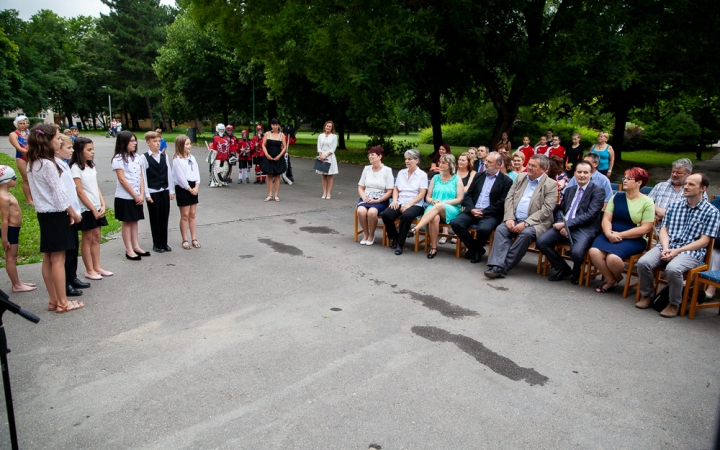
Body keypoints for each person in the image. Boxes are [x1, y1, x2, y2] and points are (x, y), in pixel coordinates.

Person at [636, 173, 720, 318]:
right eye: (686, 183)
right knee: (643, 262)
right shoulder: (674, 206)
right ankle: (647, 295)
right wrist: (666, 247)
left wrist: (677, 251)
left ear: (703, 189)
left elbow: (704, 241)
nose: (686, 187)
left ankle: (674, 303)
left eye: (691, 184)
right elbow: (664, 229)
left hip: (690, 251)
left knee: (673, 269)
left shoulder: (711, 212)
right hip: (667, 245)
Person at [26, 124, 83, 313]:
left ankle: (54, 300)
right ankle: (63, 302)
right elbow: (59, 194)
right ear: (47, 140)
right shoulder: (48, 164)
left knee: (48, 258)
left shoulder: (33, 162)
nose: (60, 141)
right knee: (58, 259)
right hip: (56, 213)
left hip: (44, 214)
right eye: (58, 138)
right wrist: (73, 213)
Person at [484, 154, 558, 278]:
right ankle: (497, 265)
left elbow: (546, 210)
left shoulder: (551, 184)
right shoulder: (521, 177)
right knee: (501, 229)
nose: (528, 167)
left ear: (543, 169)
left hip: (536, 222)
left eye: (533, 166)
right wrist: (509, 218)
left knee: (526, 234)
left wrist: (526, 223)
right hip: (514, 218)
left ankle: (502, 266)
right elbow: (509, 198)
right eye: (529, 164)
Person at [536, 161, 605, 283]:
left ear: (591, 174)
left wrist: (566, 225)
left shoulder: (598, 191)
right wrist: (559, 224)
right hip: (564, 225)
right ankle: (563, 268)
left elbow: (590, 215)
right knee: (541, 241)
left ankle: (577, 270)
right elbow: (560, 210)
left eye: (585, 172)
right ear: (574, 173)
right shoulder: (569, 190)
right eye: (579, 172)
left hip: (584, 228)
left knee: (577, 253)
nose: (582, 175)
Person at [588, 167, 654, 293]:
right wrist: (608, 233)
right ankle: (611, 280)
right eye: (624, 177)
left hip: (634, 237)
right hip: (611, 232)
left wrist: (621, 235)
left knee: (613, 258)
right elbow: (606, 219)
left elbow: (645, 228)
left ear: (639, 182)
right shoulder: (616, 197)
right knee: (594, 252)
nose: (625, 180)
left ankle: (617, 278)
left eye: (629, 178)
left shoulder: (647, 202)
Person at [451, 152, 512, 264]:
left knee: (484, 229)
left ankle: (474, 249)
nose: (485, 163)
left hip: (490, 213)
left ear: (498, 165)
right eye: (486, 161)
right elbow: (468, 195)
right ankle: (477, 249)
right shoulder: (479, 176)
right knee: (456, 223)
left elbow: (502, 202)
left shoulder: (506, 181)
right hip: (473, 210)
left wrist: (484, 212)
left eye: (489, 162)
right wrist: (472, 209)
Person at [70, 137, 112, 281]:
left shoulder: (91, 166)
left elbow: (96, 186)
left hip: (96, 206)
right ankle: (89, 269)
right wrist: (92, 209)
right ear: (79, 151)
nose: (92, 152)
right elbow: (80, 191)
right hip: (86, 208)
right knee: (87, 238)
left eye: (93, 149)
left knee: (97, 237)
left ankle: (97, 266)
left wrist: (102, 204)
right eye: (89, 150)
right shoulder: (75, 168)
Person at [407, 154, 464, 259]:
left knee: (439, 206)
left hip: (451, 208)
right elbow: (427, 197)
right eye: (440, 162)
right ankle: (433, 248)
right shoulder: (435, 178)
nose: (440, 165)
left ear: (450, 165)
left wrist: (444, 203)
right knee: (434, 217)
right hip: (433, 207)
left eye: (443, 163)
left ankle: (416, 229)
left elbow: (459, 199)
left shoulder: (457, 179)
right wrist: (433, 201)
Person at [57, 135, 90, 297]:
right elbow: (61, 193)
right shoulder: (55, 166)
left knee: (73, 248)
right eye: (68, 148)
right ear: (57, 148)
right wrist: (71, 212)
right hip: (66, 213)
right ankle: (66, 283)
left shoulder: (64, 164)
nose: (71, 151)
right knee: (67, 250)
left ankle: (72, 276)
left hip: (74, 211)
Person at [382, 149, 428, 255]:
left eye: (410, 159)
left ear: (416, 160)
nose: (407, 161)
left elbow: (421, 194)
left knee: (406, 216)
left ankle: (400, 244)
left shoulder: (422, 175)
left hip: (415, 204)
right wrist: (394, 201)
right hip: (400, 201)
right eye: (406, 159)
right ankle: (395, 237)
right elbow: (396, 189)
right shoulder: (401, 173)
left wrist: (408, 205)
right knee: (386, 214)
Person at [112, 130, 149, 260]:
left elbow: (141, 176)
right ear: (124, 142)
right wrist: (134, 195)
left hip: (137, 195)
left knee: (135, 221)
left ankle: (136, 246)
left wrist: (141, 193)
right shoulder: (118, 158)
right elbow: (122, 179)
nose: (135, 143)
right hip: (125, 196)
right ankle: (128, 249)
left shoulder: (136, 157)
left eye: (135, 140)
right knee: (127, 222)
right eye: (131, 141)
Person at [0, 166, 36, 292]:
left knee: (13, 257)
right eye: (14, 177)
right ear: (5, 180)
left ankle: (18, 282)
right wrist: (5, 239)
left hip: (13, 229)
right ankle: (16, 285)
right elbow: (4, 220)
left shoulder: (6, 194)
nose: (16, 180)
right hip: (10, 230)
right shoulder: (3, 197)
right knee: (11, 258)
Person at [647, 158, 706, 235]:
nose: (674, 174)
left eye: (678, 172)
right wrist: (657, 210)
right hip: (653, 231)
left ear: (688, 173)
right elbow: (646, 203)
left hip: (680, 234)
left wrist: (666, 214)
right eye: (673, 171)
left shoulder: (697, 191)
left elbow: (698, 216)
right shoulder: (660, 186)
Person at [141, 131, 175, 253]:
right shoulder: (144, 157)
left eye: (159, 141)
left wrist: (171, 190)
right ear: (148, 143)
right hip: (152, 191)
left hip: (164, 189)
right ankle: (157, 244)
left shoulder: (163, 155)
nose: (157, 143)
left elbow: (168, 173)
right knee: (155, 218)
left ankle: (164, 243)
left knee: (164, 217)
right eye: (154, 141)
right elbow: (143, 177)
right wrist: (147, 194)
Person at [356, 146, 394, 245]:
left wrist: (378, 200)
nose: (370, 157)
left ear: (380, 156)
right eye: (369, 155)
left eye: (372, 155)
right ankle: (366, 233)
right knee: (361, 211)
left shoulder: (387, 170)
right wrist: (364, 197)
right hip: (366, 197)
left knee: (372, 212)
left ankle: (371, 234)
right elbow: (360, 187)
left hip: (380, 199)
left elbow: (390, 191)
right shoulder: (366, 169)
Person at [172, 135, 201, 249]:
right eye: (187, 144)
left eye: (190, 143)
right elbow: (180, 178)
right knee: (185, 215)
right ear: (181, 146)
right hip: (183, 188)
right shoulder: (177, 160)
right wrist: (189, 188)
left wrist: (196, 187)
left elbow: (197, 173)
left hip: (193, 186)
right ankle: (185, 239)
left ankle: (194, 238)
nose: (190, 146)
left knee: (192, 214)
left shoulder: (192, 158)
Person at [261, 118, 288, 202]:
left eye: (276, 124)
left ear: (278, 125)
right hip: (269, 156)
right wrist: (266, 154)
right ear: (271, 125)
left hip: (278, 157)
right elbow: (263, 145)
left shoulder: (281, 135)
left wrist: (279, 156)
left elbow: (284, 147)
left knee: (277, 176)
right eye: (273, 124)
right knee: (269, 176)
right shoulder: (267, 134)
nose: (275, 126)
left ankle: (276, 195)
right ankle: (270, 195)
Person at [8, 115, 33, 205]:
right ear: (16, 124)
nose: (22, 125)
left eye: (24, 123)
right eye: (20, 123)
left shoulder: (29, 133)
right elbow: (19, 148)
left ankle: (34, 196)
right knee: (26, 179)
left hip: (31, 157)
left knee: (33, 178)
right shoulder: (13, 134)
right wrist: (32, 152)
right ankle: (29, 200)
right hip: (21, 158)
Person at [317, 120, 339, 199]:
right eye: (327, 126)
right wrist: (321, 156)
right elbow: (319, 147)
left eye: (330, 126)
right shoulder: (320, 136)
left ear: (332, 128)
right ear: (324, 127)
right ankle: (324, 192)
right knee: (323, 175)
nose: (328, 128)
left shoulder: (334, 136)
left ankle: (329, 193)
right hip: (322, 156)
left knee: (329, 175)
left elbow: (333, 148)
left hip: (330, 156)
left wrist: (325, 155)